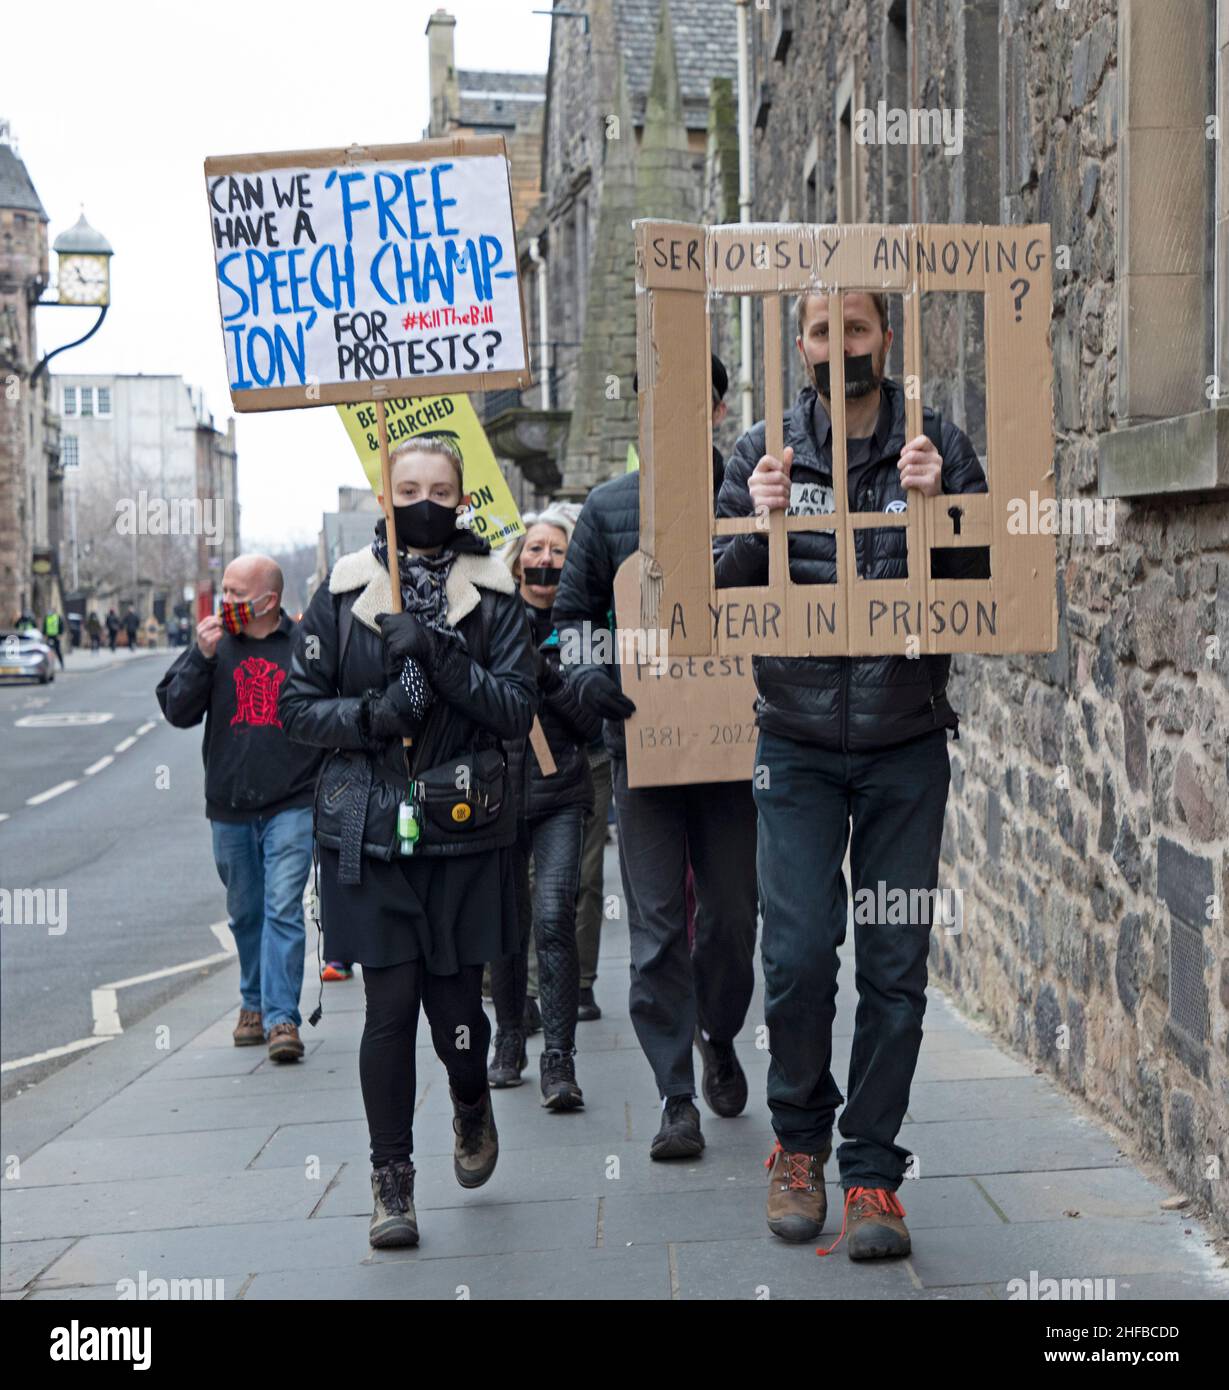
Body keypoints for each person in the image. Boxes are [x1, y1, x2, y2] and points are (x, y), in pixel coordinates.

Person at [715, 289, 989, 1260]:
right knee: (792, 957)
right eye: (823, 331)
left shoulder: (935, 445)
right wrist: (755, 524)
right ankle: (797, 1146)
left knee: (892, 967)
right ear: (801, 344)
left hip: (903, 740)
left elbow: (984, 589)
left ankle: (870, 1168)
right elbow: (716, 593)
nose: (841, 347)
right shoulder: (760, 452)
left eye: (857, 328)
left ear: (884, 340)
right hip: (790, 740)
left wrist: (939, 511)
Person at [281, 435, 537, 1250]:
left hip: (462, 830)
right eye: (407, 485)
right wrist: (373, 716)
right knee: (387, 1009)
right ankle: (391, 1181)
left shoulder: (496, 597)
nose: (423, 498)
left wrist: (441, 656)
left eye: (438, 487)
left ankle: (470, 1100)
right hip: (369, 830)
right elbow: (295, 708)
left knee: (458, 1011)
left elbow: (514, 710)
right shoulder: (341, 593)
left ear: (462, 500)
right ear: (384, 494)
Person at [553, 352, 760, 1162]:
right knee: (655, 932)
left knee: (732, 923)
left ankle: (720, 1030)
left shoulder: (745, 496)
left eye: (690, 401)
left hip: (736, 748)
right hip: (642, 750)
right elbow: (571, 617)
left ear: (716, 408)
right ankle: (675, 1094)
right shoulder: (605, 510)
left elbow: (785, 595)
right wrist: (587, 674)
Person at [156, 556, 322, 1063]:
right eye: (223, 590)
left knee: (283, 908)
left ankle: (281, 1019)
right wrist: (200, 658)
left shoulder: (302, 648)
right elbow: (176, 710)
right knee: (246, 913)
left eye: (234, 593)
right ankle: (252, 1003)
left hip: (291, 802)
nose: (224, 602)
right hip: (228, 806)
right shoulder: (214, 645)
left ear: (268, 601)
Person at [487, 510, 601, 1107]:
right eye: (535, 549)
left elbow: (592, 725)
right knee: (506, 925)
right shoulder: (490, 621)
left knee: (555, 914)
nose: (545, 561)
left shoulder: (584, 628)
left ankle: (560, 1061)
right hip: (498, 794)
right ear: (517, 560)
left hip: (561, 794)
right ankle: (508, 1037)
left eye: (558, 551)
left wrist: (549, 680)